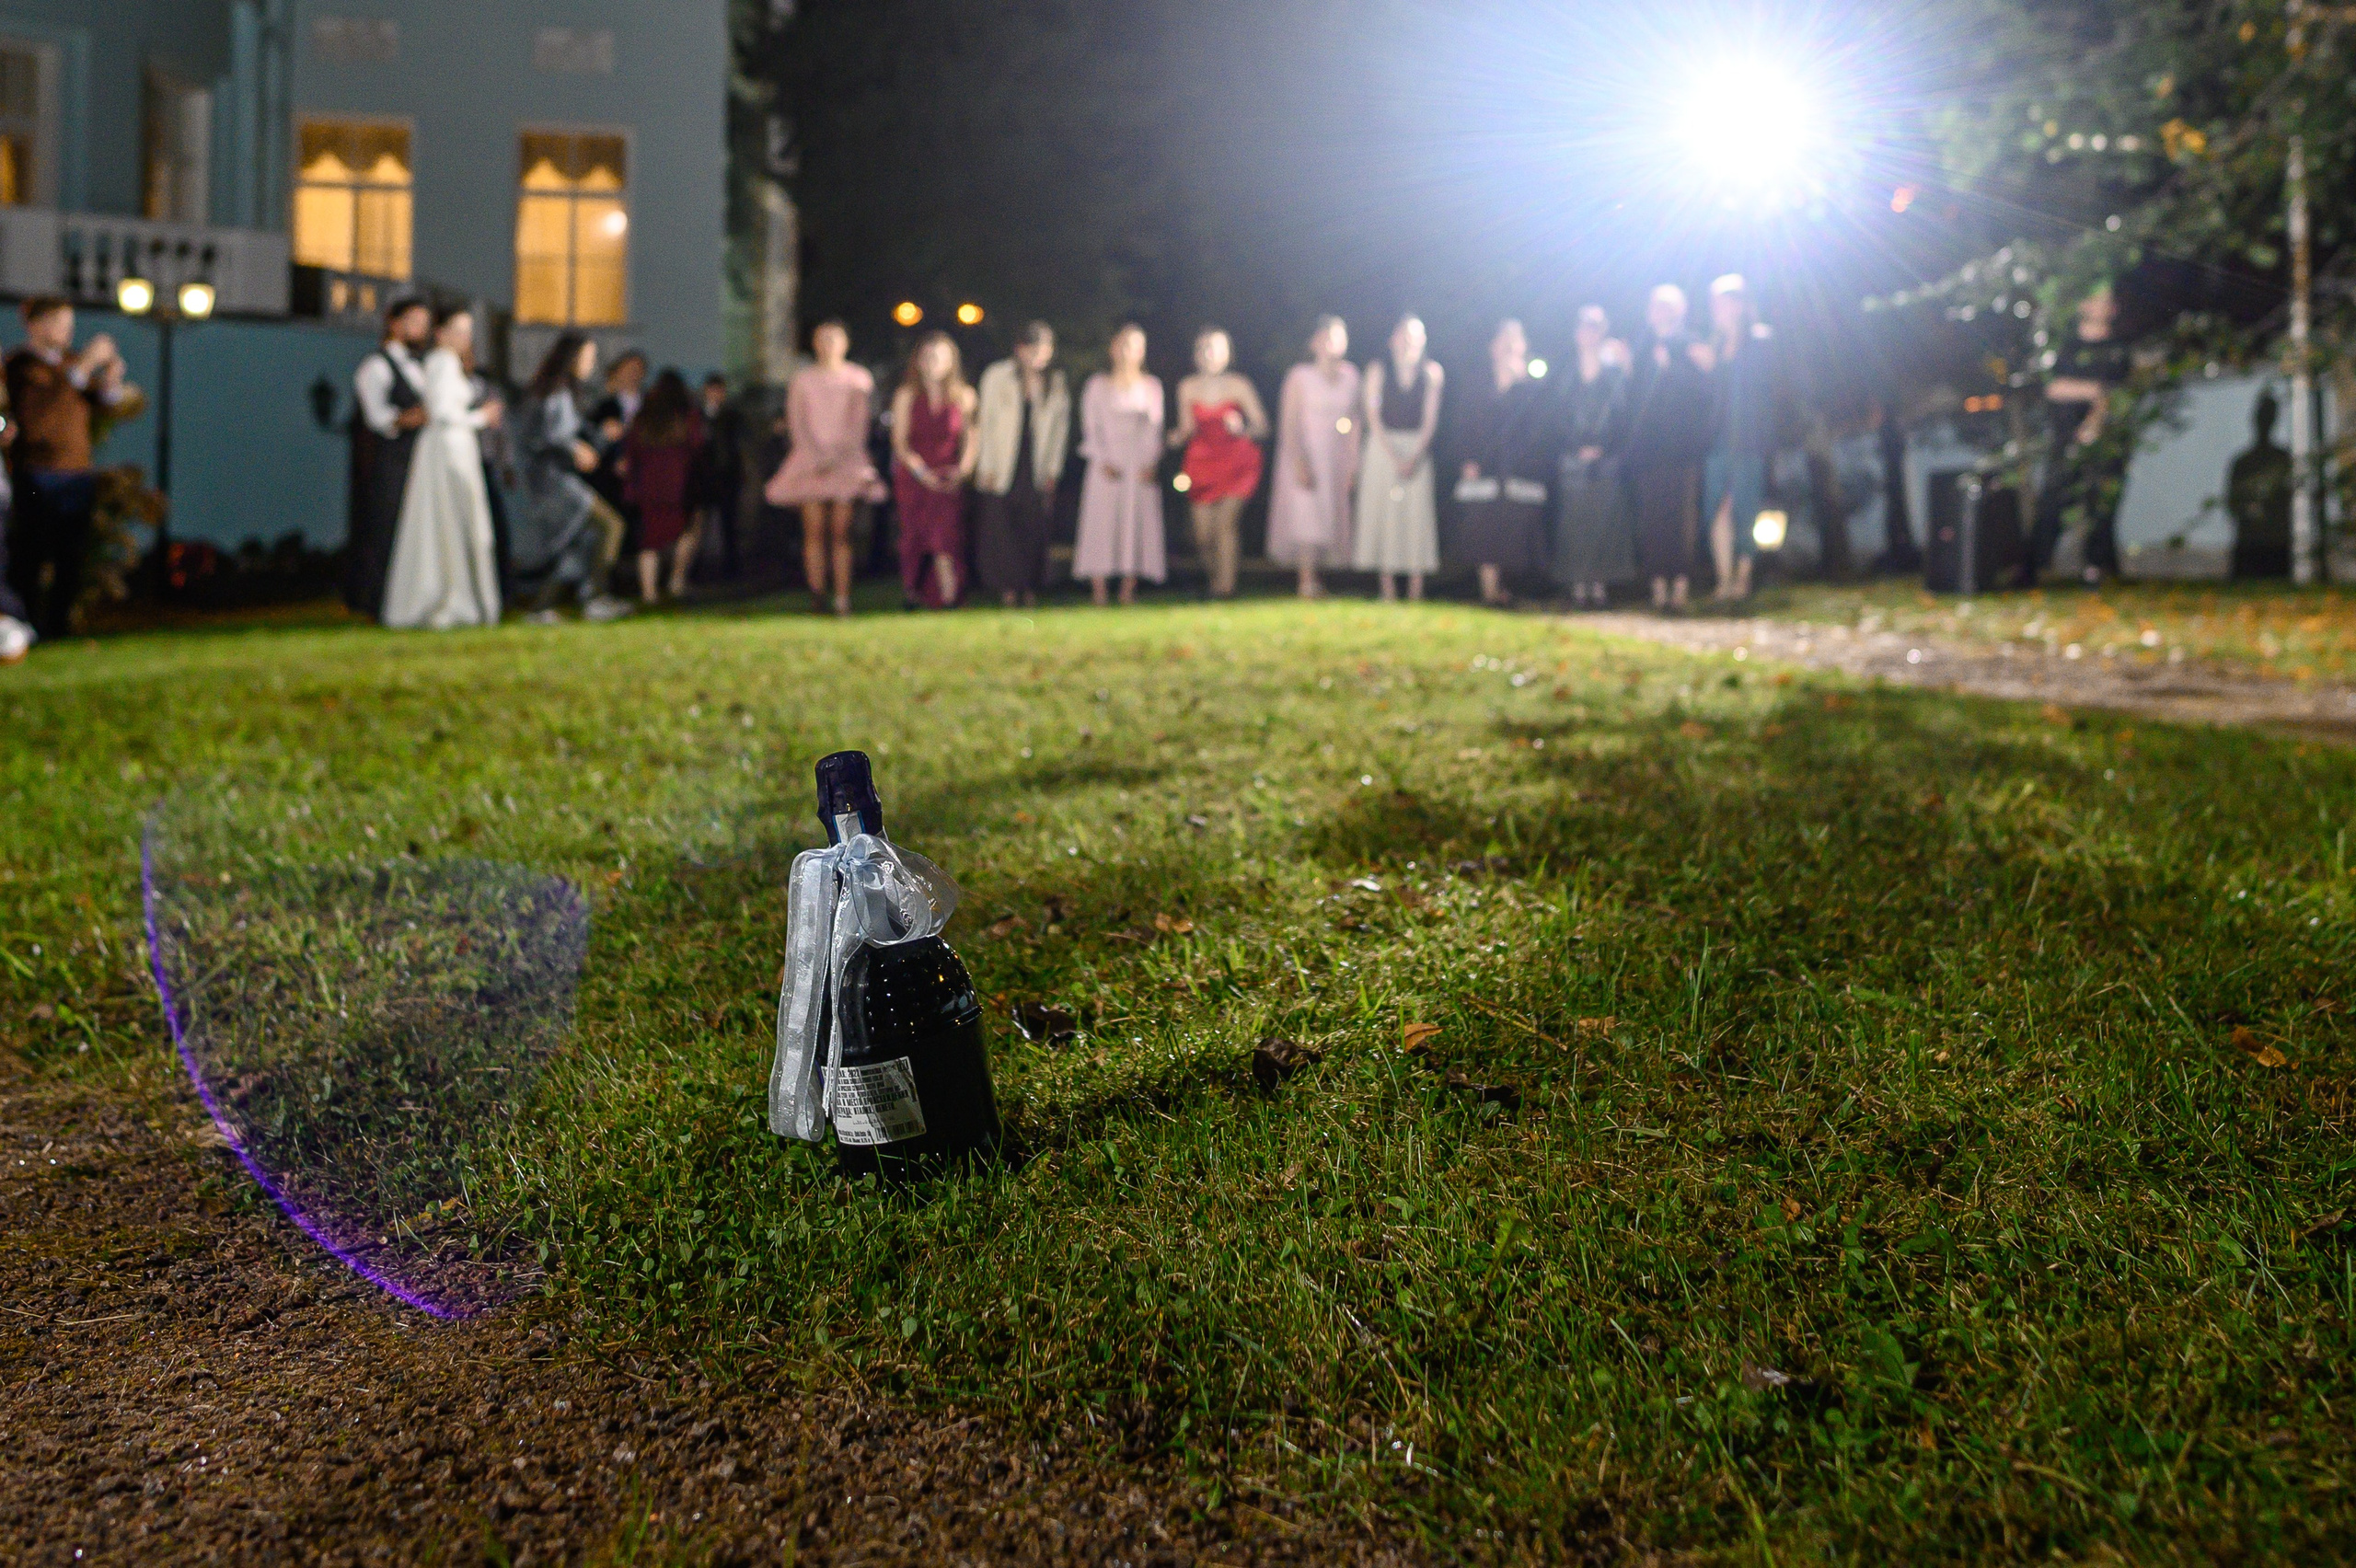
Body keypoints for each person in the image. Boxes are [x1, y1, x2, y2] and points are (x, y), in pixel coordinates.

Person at [4, 298, 142, 642]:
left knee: (71, 556)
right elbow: (40, 413)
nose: (68, 331)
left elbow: (105, 404)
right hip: (36, 472)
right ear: (35, 325)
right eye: (60, 323)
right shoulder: (21, 365)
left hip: (77, 473)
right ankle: (22, 628)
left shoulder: (70, 363)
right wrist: (84, 366)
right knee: (31, 555)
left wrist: (110, 378)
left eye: (70, 323)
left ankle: (58, 631)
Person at [381, 306, 502, 629]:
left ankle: (466, 597)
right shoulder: (441, 362)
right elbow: (442, 413)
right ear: (442, 333)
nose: (465, 338)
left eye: (469, 331)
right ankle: (450, 598)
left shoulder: (448, 363)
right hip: (448, 450)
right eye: (459, 330)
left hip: (457, 447)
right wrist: (482, 417)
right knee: (447, 520)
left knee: (460, 522)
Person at [767, 320, 886, 616]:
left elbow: (860, 423)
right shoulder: (803, 380)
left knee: (841, 532)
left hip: (847, 461)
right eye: (823, 338)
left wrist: (837, 455)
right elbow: (797, 422)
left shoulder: (858, 378)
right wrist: (816, 456)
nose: (828, 344)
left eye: (834, 338)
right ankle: (817, 594)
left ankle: (843, 597)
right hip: (810, 462)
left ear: (845, 343)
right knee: (814, 531)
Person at [515, 332, 631, 623]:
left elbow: (570, 433)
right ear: (573, 357)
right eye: (588, 357)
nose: (591, 364)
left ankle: (546, 606)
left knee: (574, 540)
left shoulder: (562, 391)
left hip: (556, 480)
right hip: (554, 482)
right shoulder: (555, 392)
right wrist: (576, 448)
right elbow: (550, 437)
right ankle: (593, 597)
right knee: (609, 525)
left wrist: (597, 438)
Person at [2026, 284, 2130, 585]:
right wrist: (2094, 390)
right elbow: (2051, 388)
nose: (2102, 306)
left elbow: (2116, 394)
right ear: (2083, 305)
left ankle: (2100, 569)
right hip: (2064, 438)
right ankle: (2033, 567)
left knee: (2102, 505)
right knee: (2053, 502)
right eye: (2096, 299)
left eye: (2108, 301)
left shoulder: (2118, 350)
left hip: (2105, 441)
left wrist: (2095, 422)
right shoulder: (2065, 346)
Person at [1623, 284, 1715, 610]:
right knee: (1651, 519)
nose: (1658, 311)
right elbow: (1631, 400)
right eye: (1654, 305)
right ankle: (1657, 587)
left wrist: (1672, 368)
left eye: (1665, 305)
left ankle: (1681, 588)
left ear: (1681, 309)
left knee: (1682, 518)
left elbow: (1704, 395)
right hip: (1648, 449)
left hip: (1682, 448)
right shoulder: (1640, 348)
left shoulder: (1692, 345)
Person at [1450, 317, 1550, 605]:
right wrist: (1467, 458)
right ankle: (1488, 589)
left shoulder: (1531, 386)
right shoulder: (1477, 382)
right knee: (1484, 525)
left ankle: (1510, 589)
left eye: (1514, 341)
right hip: (1484, 465)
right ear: (1492, 347)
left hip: (1518, 466)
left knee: (1515, 527)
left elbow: (1538, 428)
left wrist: (1520, 384)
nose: (1508, 346)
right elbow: (1465, 422)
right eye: (1503, 340)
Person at [343, 295, 431, 618]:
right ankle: (374, 603)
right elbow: (377, 417)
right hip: (387, 462)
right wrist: (413, 417)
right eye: (414, 321)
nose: (421, 329)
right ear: (394, 323)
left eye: (424, 323)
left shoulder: (422, 365)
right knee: (384, 529)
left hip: (416, 462)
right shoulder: (375, 365)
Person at [972, 321, 1070, 606]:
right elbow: (986, 422)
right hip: (1002, 463)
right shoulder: (997, 376)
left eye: (1045, 349)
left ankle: (1030, 587)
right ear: (1020, 349)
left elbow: (1060, 431)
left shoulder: (1056, 381)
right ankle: (1007, 589)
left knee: (1033, 527)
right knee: (1002, 529)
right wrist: (985, 465)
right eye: (1034, 349)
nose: (1040, 355)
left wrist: (1053, 469)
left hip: (1035, 464)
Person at [1168, 326, 1267, 599]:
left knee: (1226, 525)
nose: (1210, 354)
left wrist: (1243, 427)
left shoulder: (1240, 385)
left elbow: (1262, 427)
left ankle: (1226, 588)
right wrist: (1176, 437)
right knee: (1202, 535)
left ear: (1228, 354)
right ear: (1196, 354)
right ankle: (1215, 581)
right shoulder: (1187, 387)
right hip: (1201, 462)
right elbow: (1186, 428)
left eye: (1217, 348)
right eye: (1205, 348)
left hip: (1238, 462)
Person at [1266, 316, 1360, 598]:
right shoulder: (1299, 376)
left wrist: (1353, 463)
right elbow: (1290, 422)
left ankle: (1325, 577)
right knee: (1306, 512)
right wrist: (1299, 461)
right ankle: (1305, 580)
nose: (1334, 342)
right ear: (1314, 342)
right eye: (1328, 336)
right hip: (1307, 450)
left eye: (1340, 336)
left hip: (1337, 454)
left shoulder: (1352, 376)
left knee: (1331, 513)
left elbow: (1355, 422)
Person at [1074, 323, 1167, 605]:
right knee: (1101, 523)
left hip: (1137, 462)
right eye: (1125, 345)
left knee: (1135, 522)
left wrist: (1150, 461)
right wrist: (1102, 459)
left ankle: (1128, 589)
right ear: (1114, 349)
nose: (1130, 352)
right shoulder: (1097, 385)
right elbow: (1090, 427)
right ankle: (1099, 591)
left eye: (1137, 346)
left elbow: (1155, 428)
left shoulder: (1152, 386)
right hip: (1106, 464)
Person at [1353, 314, 1443, 601]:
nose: (1409, 343)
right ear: (1393, 339)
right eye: (1404, 335)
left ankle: (1416, 589)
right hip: (1383, 446)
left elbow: (1431, 420)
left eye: (1415, 337)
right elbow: (1372, 414)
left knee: (1416, 516)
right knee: (1384, 513)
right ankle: (1387, 588)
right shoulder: (1378, 370)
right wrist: (1393, 456)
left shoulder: (1432, 373)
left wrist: (1414, 456)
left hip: (1417, 446)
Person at [1701, 274, 1779, 601]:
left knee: (1745, 506)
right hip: (1716, 440)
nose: (1715, 308)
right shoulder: (1712, 347)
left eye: (1721, 301)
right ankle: (1724, 578)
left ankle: (1743, 577)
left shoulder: (1760, 340)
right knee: (1716, 508)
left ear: (1738, 304)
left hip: (1749, 439)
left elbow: (1769, 394)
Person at [1551, 306, 1634, 606]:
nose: (1590, 333)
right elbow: (1556, 417)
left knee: (1604, 520)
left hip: (1607, 459)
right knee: (1575, 521)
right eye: (1585, 326)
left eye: (1596, 327)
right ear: (1576, 332)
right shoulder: (1565, 371)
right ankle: (1576, 584)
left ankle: (1599, 585)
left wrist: (1604, 448)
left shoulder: (1614, 373)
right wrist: (1575, 448)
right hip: (1572, 459)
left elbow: (1623, 416)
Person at [890, 330, 978, 609]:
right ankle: (912, 592)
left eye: (940, 357)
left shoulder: (965, 395)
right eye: (928, 356)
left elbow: (972, 438)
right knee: (914, 535)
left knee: (946, 536)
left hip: (948, 476)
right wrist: (921, 473)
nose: (934, 362)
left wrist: (962, 471)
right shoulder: (906, 395)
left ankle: (949, 595)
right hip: (915, 477)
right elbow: (900, 443)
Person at [624, 369, 706, 603]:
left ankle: (649, 592)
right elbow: (697, 447)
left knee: (649, 538)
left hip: (648, 485)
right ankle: (676, 581)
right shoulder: (687, 416)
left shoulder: (644, 417)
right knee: (687, 531)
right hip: (679, 484)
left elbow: (632, 451)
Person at [2228, 388, 2292, 581]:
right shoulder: (2243, 463)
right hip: (2251, 543)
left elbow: (2287, 499)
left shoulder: (2282, 460)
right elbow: (2232, 502)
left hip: (2275, 543)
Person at [690, 374, 746, 582]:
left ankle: (732, 568)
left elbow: (737, 447)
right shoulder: (696, 416)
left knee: (729, 524)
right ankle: (694, 567)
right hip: (703, 478)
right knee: (698, 525)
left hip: (726, 477)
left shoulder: (732, 416)